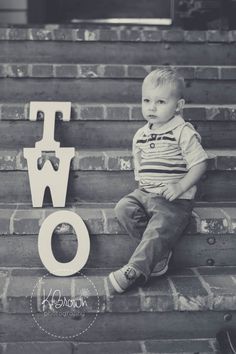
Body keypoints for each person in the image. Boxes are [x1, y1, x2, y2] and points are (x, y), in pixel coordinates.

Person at [108, 67, 208, 293]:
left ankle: (134, 270)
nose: (151, 107)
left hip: (173, 197)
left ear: (178, 106)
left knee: (161, 224)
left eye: (160, 102)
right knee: (123, 208)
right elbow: (140, 160)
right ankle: (159, 256)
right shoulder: (141, 134)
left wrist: (181, 186)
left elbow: (200, 162)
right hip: (145, 192)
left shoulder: (182, 131)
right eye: (146, 100)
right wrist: (141, 185)